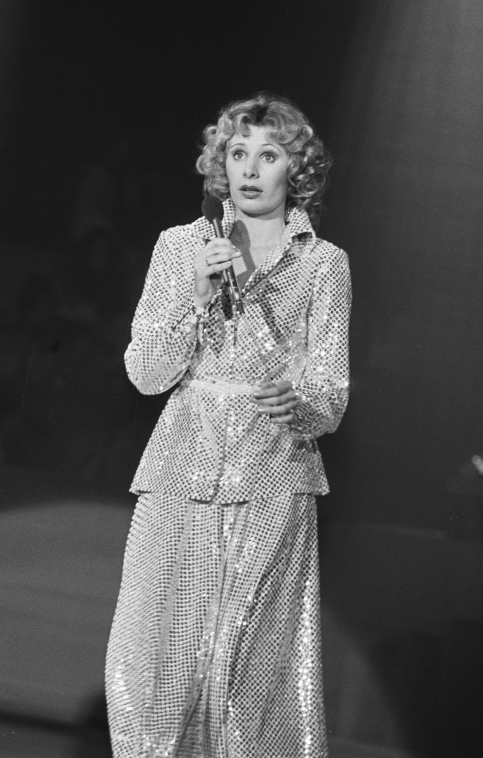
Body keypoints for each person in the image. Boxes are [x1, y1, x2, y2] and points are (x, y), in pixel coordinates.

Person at [106, 92, 352, 757]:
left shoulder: (322, 263)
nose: (248, 168)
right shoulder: (179, 246)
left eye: (267, 155)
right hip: (178, 470)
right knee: (154, 657)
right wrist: (193, 292)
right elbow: (146, 371)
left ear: (292, 169)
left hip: (274, 473)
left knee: (250, 670)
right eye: (237, 153)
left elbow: (329, 394)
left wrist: (296, 406)